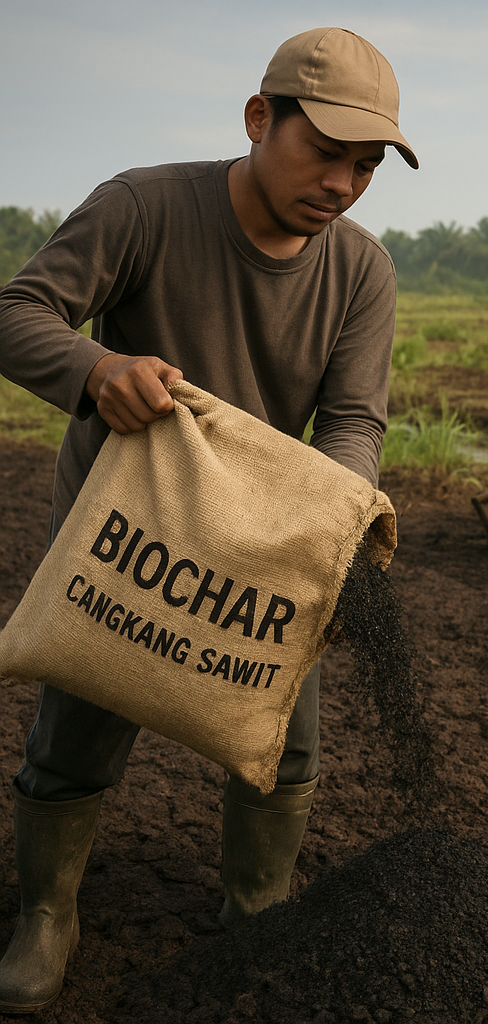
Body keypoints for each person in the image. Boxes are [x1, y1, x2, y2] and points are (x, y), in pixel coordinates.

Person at [0, 27, 417, 1014]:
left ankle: (255, 909)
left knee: (287, 746)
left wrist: (340, 521)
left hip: (267, 545)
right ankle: (48, 914)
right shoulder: (143, 206)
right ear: (258, 119)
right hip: (128, 532)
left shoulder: (361, 271)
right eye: (324, 152)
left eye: (365, 167)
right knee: (79, 727)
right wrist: (100, 371)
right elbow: (19, 313)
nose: (342, 184)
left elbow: (354, 421)